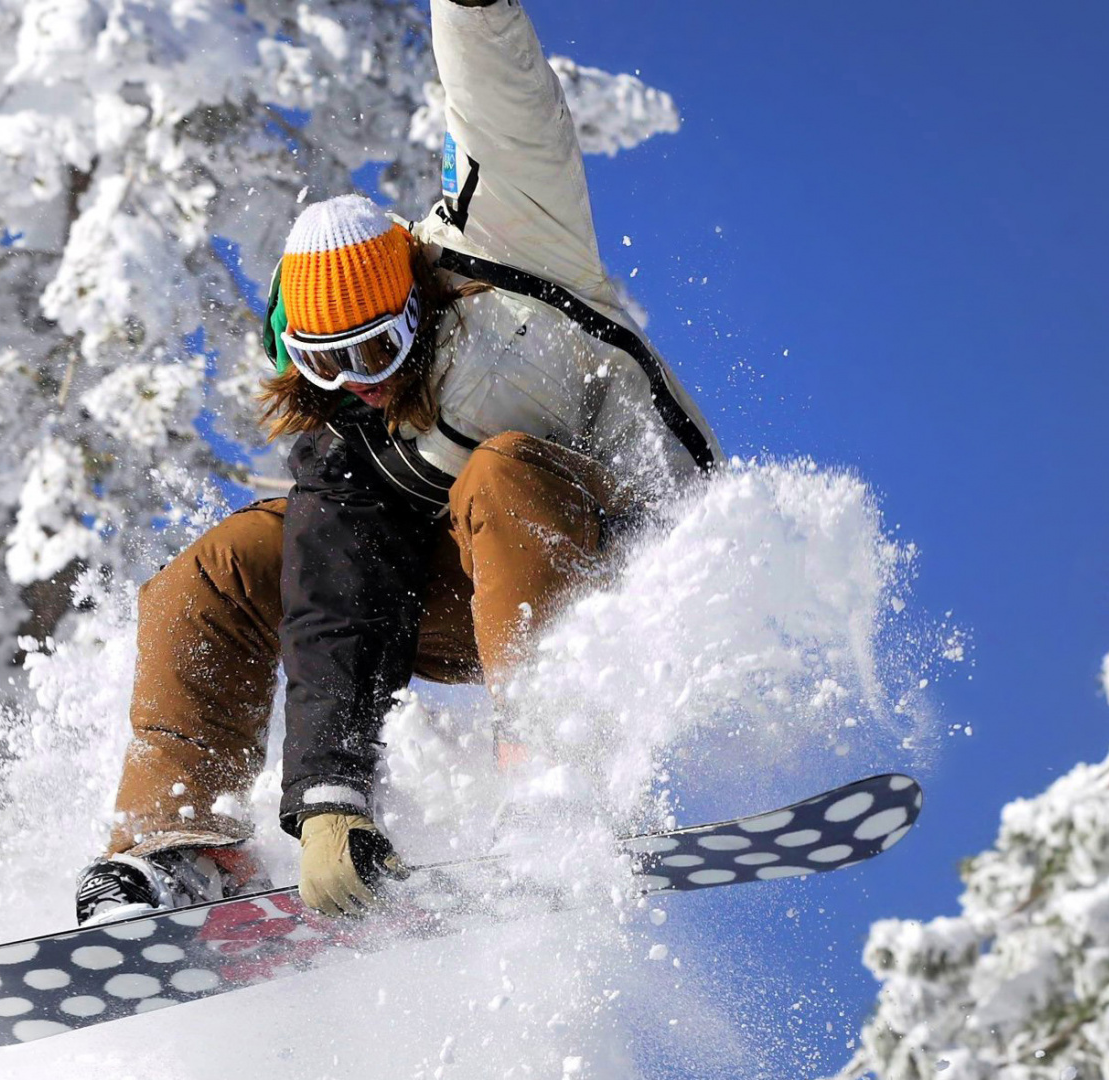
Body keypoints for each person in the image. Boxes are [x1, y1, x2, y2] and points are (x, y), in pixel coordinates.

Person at [74, 0, 719, 924]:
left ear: (418, 302)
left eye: (375, 351)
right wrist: (333, 801)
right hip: (484, 596)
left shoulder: (510, 247)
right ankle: (181, 843)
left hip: (639, 561)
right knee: (223, 568)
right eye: (325, 363)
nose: (357, 383)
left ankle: (553, 773)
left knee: (501, 468)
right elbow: (339, 603)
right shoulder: (352, 430)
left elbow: (505, 105)